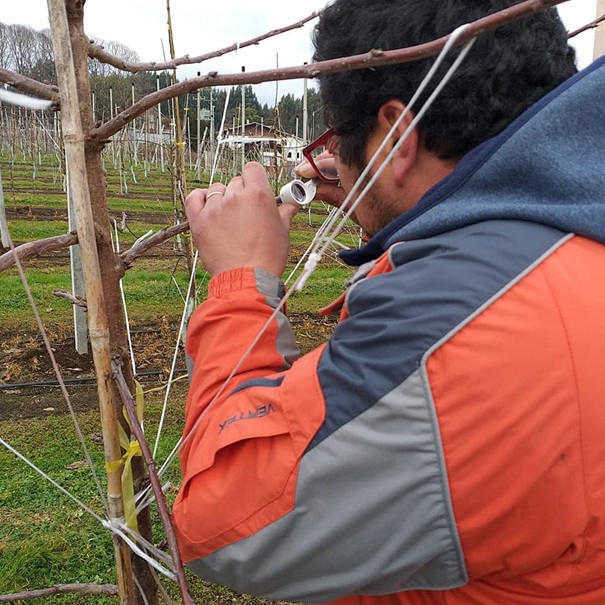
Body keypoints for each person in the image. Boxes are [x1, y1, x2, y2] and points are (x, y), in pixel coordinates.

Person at [173, 0, 605, 603]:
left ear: (398, 137)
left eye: (343, 139)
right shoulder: (569, 229)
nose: (338, 158)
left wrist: (241, 279)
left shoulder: (462, 328)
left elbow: (228, 522)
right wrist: (382, 202)